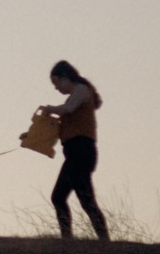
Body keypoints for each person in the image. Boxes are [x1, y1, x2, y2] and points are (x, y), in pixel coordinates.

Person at [37, 60, 109, 241]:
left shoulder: (82, 90)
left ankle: (71, 240)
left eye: (56, 83)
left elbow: (68, 109)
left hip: (81, 152)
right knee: (82, 199)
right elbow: (58, 130)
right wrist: (31, 137)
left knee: (65, 197)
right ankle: (98, 240)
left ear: (65, 77)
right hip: (76, 152)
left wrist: (50, 109)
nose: (56, 88)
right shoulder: (76, 96)